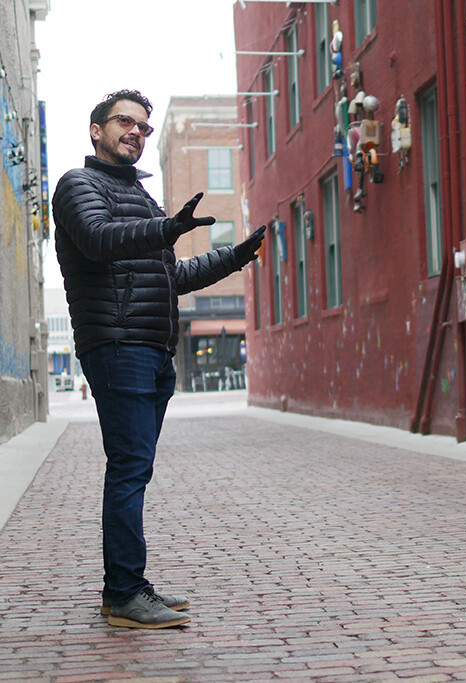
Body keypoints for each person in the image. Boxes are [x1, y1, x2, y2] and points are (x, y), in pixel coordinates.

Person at [52, 90, 266, 627]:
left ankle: (128, 584)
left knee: (135, 469)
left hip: (151, 348)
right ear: (96, 130)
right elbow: (100, 241)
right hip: (116, 344)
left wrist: (231, 259)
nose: (136, 132)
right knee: (127, 468)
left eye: (144, 127)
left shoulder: (143, 201)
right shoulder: (79, 187)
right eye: (125, 122)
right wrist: (167, 228)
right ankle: (123, 593)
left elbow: (168, 279)